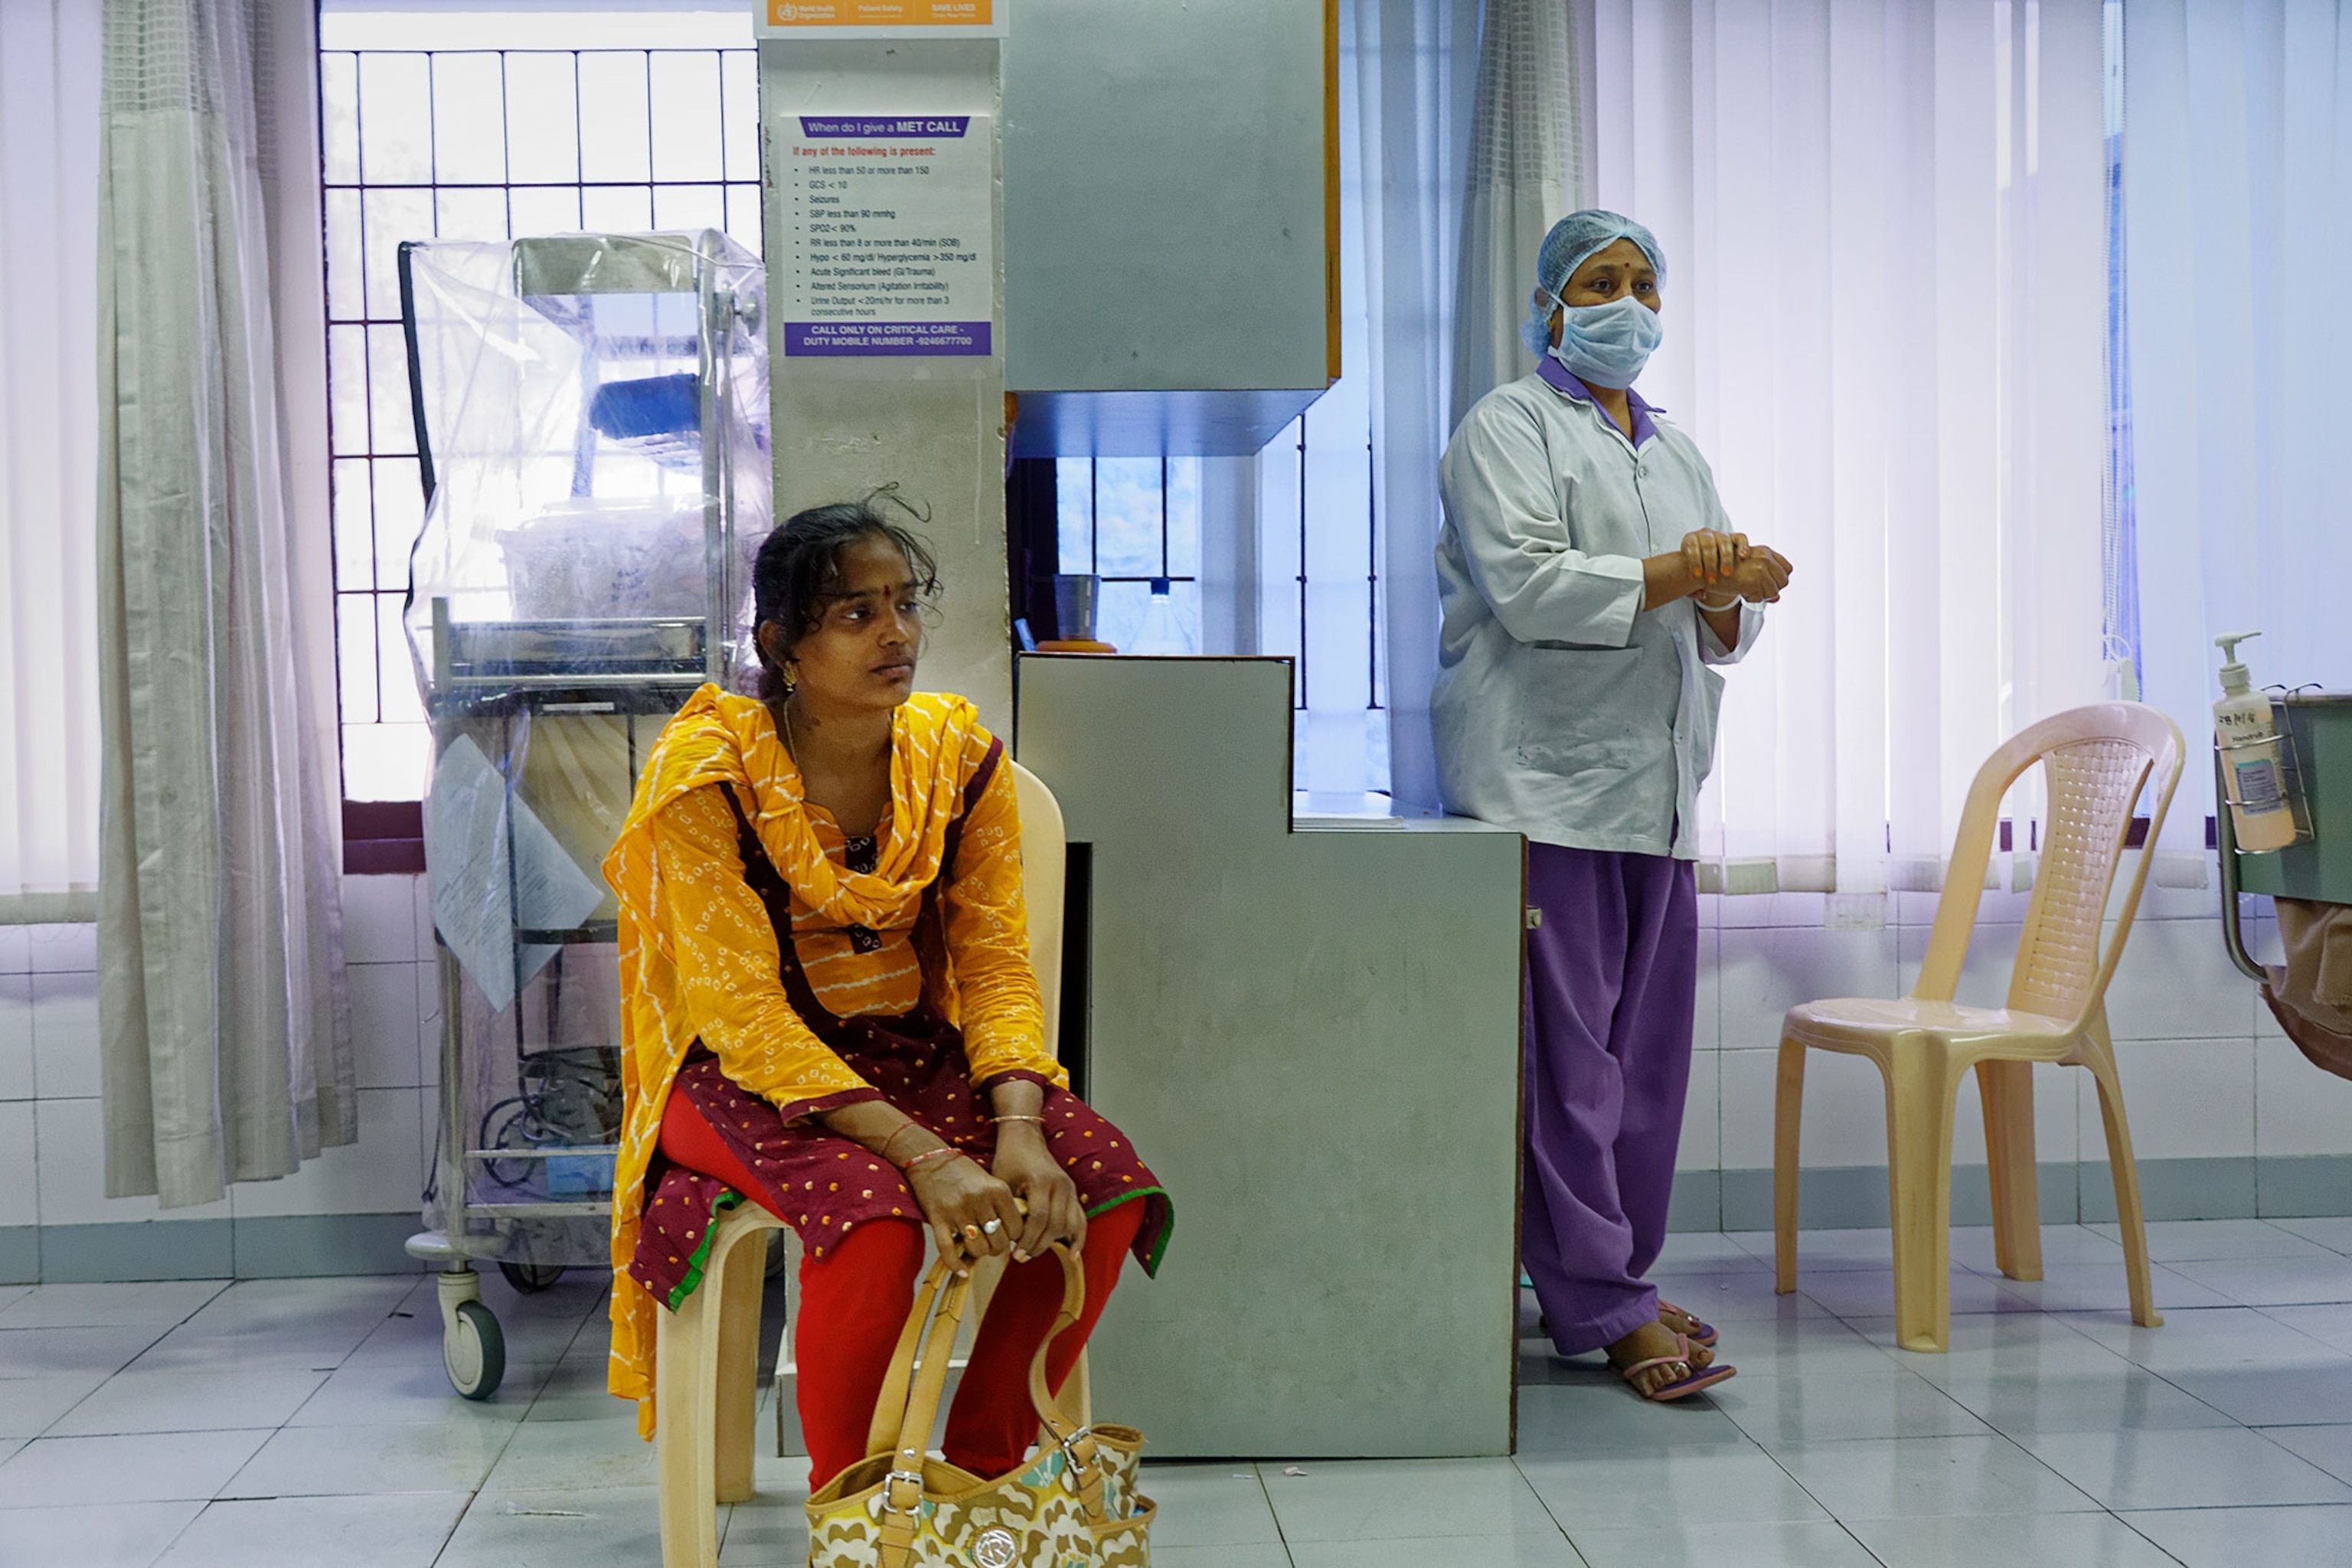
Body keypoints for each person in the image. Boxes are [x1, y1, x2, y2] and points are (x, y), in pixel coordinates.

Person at [601, 498, 1172, 1483]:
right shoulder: (711, 776)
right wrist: (923, 1157)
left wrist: (1021, 1126)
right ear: (782, 642)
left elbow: (996, 964)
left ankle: (980, 1473)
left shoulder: (958, 764)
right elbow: (742, 1013)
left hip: (906, 1051)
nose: (897, 632)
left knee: (1105, 1186)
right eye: (856, 614)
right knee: (871, 1220)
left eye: (905, 605)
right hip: (734, 1076)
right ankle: (854, 1511)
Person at [1434, 211, 1792, 1402]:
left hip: (1657, 794)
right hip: (1546, 787)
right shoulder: (1507, 426)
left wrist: (1735, 591)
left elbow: (1711, 635)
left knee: (1642, 1072)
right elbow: (1532, 589)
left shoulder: (1675, 449)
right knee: (1568, 1075)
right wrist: (1694, 572)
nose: (1626, 303)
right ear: (1550, 304)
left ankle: (1620, 1278)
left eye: (1643, 282)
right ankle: (1600, 1301)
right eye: (1600, 282)